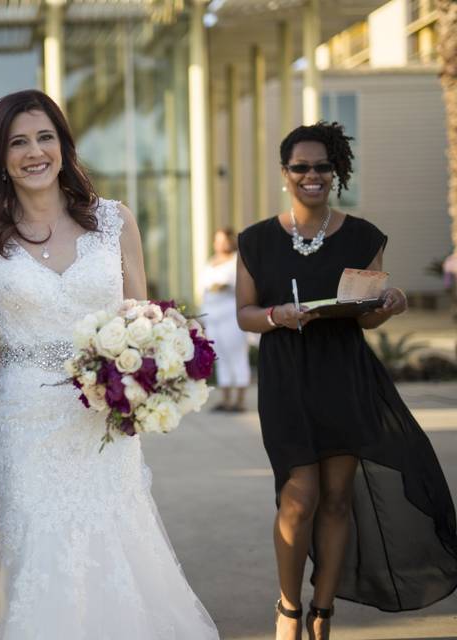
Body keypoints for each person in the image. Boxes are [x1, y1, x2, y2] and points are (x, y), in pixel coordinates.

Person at [0, 89, 219, 639]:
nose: (34, 151)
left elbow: (146, 319)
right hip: (21, 422)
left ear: (64, 145)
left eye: (45, 137)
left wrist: (152, 380)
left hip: (101, 421)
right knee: (33, 550)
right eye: (18, 142)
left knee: (113, 544)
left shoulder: (114, 221)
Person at [235, 121, 457, 640]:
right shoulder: (256, 240)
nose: (311, 175)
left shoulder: (363, 236)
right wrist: (276, 316)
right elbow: (245, 312)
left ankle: (323, 611)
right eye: (301, 167)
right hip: (287, 377)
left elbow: (366, 315)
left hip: (345, 376)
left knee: (337, 498)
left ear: (335, 174)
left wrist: (391, 305)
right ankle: (289, 608)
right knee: (298, 496)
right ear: (284, 173)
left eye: (321, 167)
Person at [199, 227, 250, 411]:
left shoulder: (238, 260)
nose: (221, 245)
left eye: (224, 241)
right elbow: (205, 291)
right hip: (213, 316)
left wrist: (222, 286)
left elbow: (238, 285)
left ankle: (240, 400)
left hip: (231, 316)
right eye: (218, 241)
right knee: (220, 357)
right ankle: (226, 399)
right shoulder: (210, 262)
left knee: (237, 355)